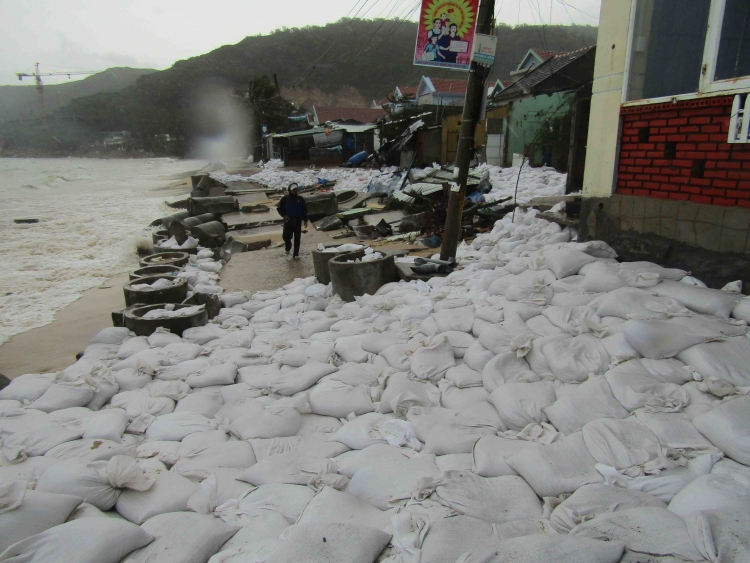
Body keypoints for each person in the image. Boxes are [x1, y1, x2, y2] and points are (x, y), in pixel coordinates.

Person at [276, 183, 308, 260]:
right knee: (286, 237)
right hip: (288, 221)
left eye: (296, 189)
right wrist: (284, 215)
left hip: (297, 220)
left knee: (297, 237)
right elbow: (279, 208)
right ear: (290, 190)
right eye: (293, 189)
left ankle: (296, 254)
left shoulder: (300, 199)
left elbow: (304, 210)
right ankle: (288, 249)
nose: (295, 191)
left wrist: (305, 220)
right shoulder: (285, 199)